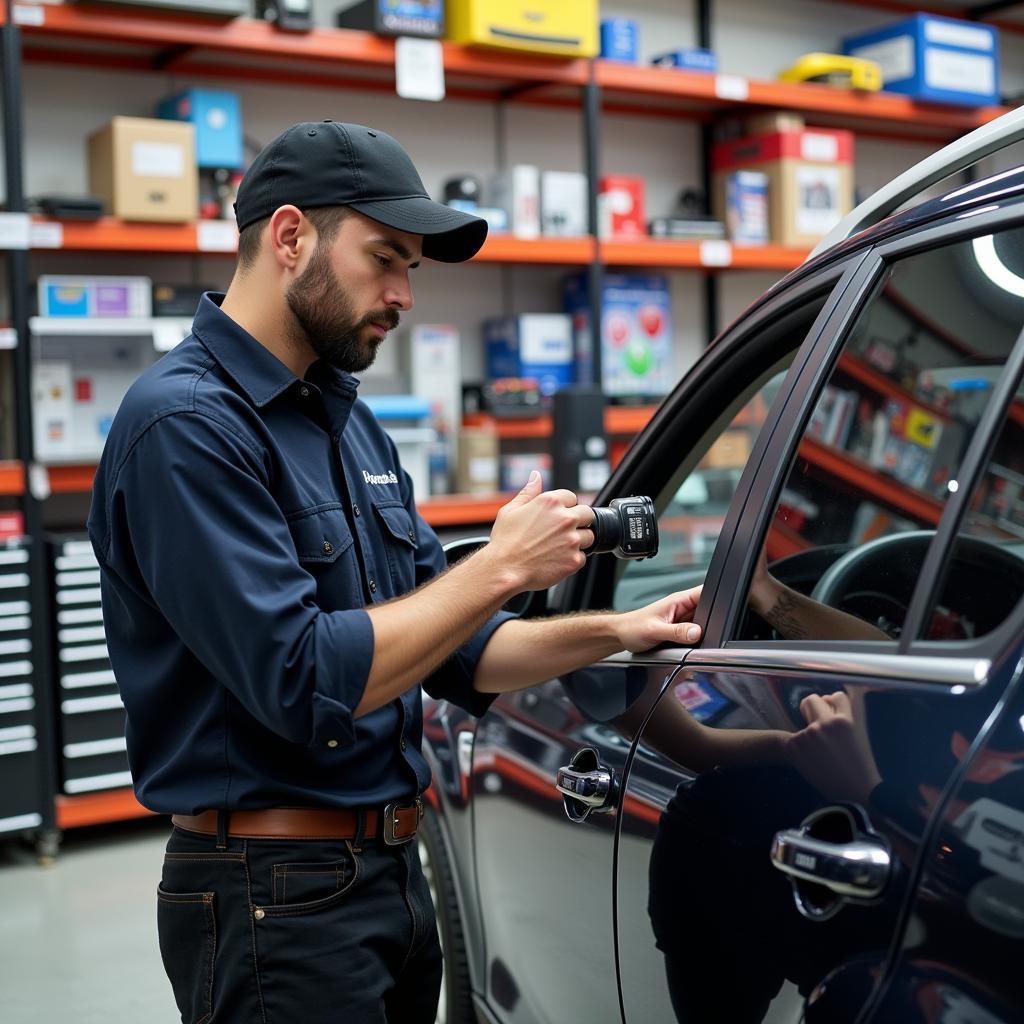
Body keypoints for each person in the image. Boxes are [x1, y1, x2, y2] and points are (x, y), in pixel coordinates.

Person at [86, 120, 704, 1024]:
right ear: (291, 238)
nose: (404, 294)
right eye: (386, 259)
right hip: (272, 895)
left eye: (411, 268)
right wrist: (498, 565)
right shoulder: (185, 427)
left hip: (390, 876)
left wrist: (614, 633)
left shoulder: (350, 425)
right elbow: (302, 678)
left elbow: (463, 653)